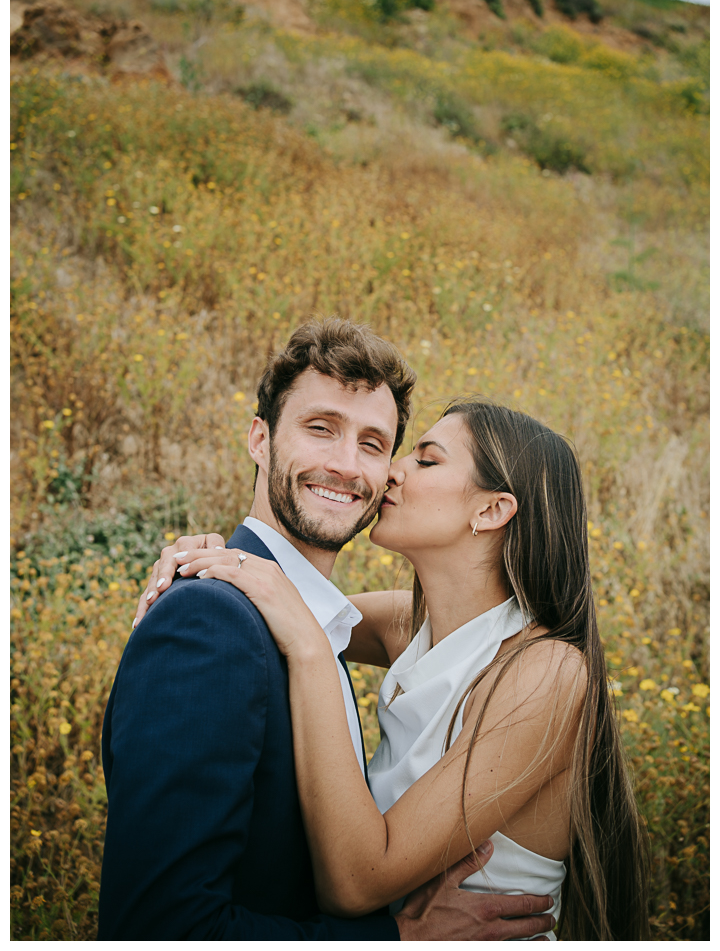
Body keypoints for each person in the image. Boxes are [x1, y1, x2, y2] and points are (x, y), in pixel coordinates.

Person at [99, 318, 557, 940]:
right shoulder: (207, 621)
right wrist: (394, 939)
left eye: (375, 444)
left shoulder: (318, 623)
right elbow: (155, 926)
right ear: (260, 439)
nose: (351, 466)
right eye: (321, 429)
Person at [143, 398, 650, 939]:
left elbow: (356, 884)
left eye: (427, 461)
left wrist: (311, 649)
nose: (392, 471)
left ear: (491, 511)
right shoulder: (408, 623)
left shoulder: (546, 671)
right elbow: (265, 610)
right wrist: (207, 557)